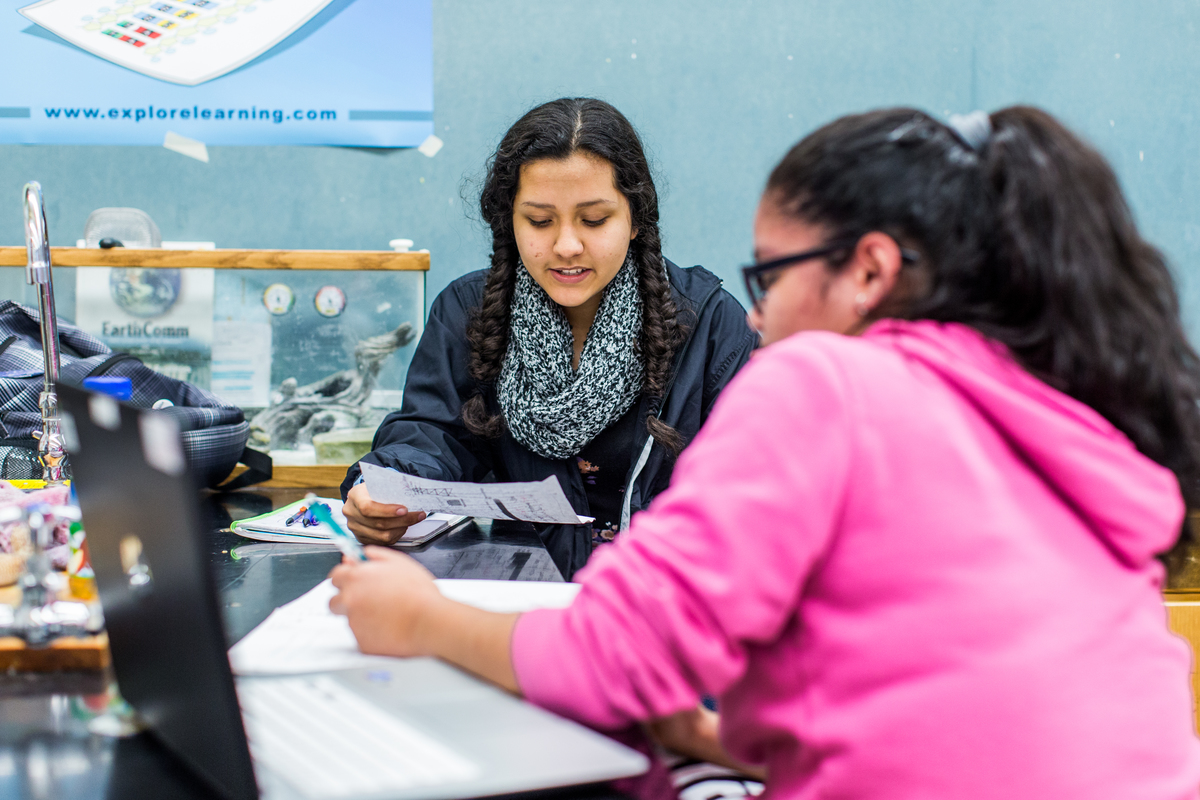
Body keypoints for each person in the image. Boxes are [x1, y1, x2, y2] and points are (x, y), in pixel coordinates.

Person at [329, 106, 1200, 798]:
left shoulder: (821, 378)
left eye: (772, 278)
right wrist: (715, 739)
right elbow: (936, 698)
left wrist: (413, 618)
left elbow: (616, 661)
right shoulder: (1037, 396)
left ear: (867, 271)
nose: (758, 317)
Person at [340, 98, 757, 579]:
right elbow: (432, 432)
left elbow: (753, 483)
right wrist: (390, 481)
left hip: (661, 606)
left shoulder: (711, 324)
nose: (565, 246)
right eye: (539, 221)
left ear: (636, 219)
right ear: (508, 221)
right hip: (516, 604)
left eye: (594, 220)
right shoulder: (470, 312)